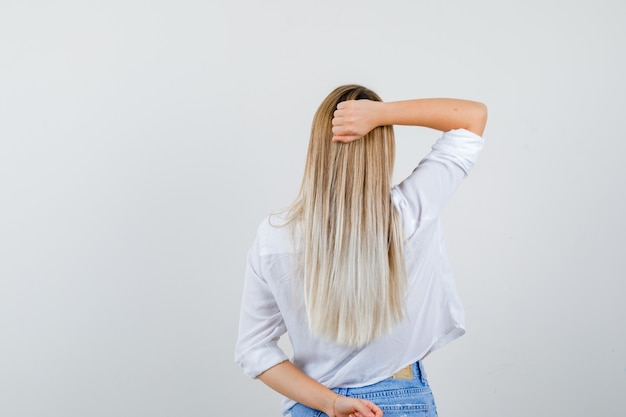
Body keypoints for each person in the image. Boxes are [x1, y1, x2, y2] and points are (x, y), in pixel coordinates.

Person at [235, 84, 488, 417]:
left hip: (311, 407)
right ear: (383, 145)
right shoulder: (411, 210)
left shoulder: (275, 237)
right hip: (397, 401)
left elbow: (253, 349)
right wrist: (382, 114)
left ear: (316, 146)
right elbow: (472, 117)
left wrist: (331, 403)